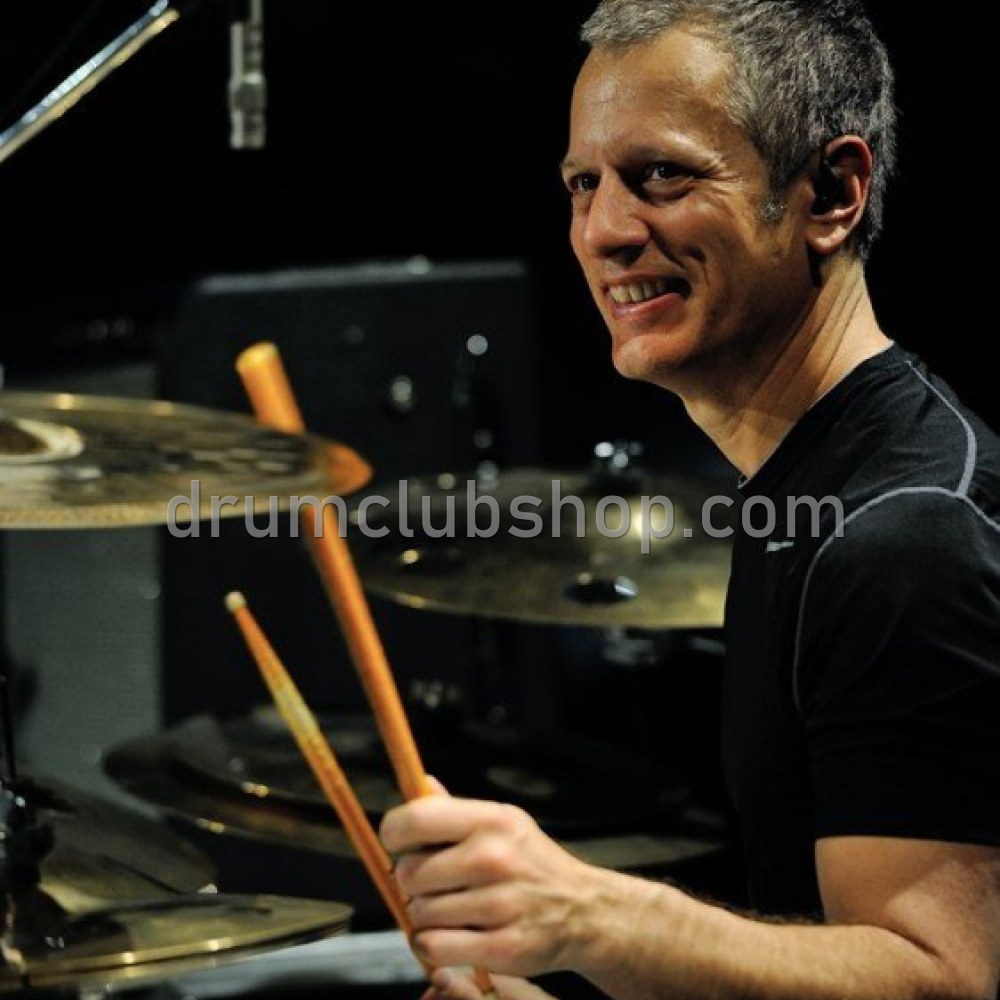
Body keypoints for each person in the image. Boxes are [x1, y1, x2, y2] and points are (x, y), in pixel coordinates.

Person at [379, 2, 1000, 997]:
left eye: (662, 175)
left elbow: (943, 980)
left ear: (831, 193)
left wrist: (596, 917)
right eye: (583, 184)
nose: (603, 232)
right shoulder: (812, 486)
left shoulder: (905, 540)